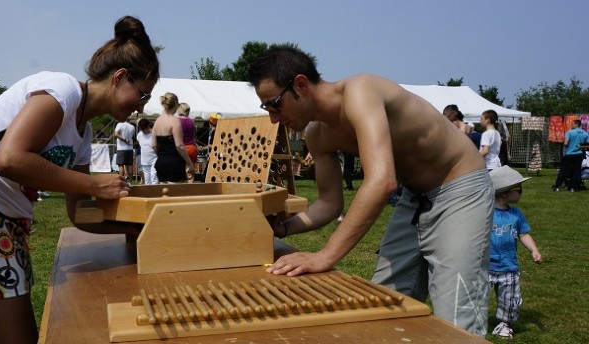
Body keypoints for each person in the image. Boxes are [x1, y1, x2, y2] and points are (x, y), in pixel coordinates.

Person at [0, 15, 158, 343]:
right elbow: (10, 159)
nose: (142, 107)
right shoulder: (63, 90)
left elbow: (79, 214)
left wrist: (141, 228)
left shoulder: (82, 135)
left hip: (6, 226)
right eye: (142, 95)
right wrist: (93, 184)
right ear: (120, 77)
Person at [247, 47, 492, 337]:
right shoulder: (317, 134)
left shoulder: (360, 91)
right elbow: (328, 203)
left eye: (275, 105)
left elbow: (382, 182)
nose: (274, 119)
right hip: (415, 198)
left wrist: (325, 256)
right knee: (382, 304)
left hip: (461, 189)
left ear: (300, 84)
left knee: (456, 322)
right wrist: (280, 229)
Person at [487, 166, 542, 339]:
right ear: (504, 193)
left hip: (509, 266)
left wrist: (534, 250)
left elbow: (523, 233)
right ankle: (473, 321)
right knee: (477, 297)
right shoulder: (484, 213)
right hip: (485, 267)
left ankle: (504, 324)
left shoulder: (516, 214)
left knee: (510, 300)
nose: (521, 193)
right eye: (519, 190)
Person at [152, 92, 193, 183]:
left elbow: (154, 145)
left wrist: (161, 156)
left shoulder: (157, 121)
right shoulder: (175, 121)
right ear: (175, 105)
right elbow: (179, 145)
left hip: (161, 162)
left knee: (164, 194)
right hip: (174, 162)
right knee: (175, 194)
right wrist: (189, 163)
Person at [552, 119, 589, 192]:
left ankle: (557, 186)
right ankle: (573, 187)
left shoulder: (569, 132)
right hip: (580, 155)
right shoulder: (585, 134)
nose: (571, 125)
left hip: (570, 154)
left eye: (572, 124)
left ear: (576, 124)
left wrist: (570, 146)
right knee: (576, 171)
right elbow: (587, 145)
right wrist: (580, 147)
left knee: (563, 170)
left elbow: (565, 143)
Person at [178, 102, 197, 182]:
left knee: (178, 171)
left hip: (181, 148)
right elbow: (194, 135)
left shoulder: (177, 121)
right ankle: (190, 189)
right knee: (190, 170)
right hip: (191, 147)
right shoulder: (192, 121)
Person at [136, 118, 157, 185]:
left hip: (154, 159)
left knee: (154, 177)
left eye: (144, 128)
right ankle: (148, 194)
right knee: (147, 179)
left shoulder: (154, 134)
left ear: (148, 126)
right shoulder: (139, 135)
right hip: (144, 160)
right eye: (142, 129)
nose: (144, 130)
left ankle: (155, 194)